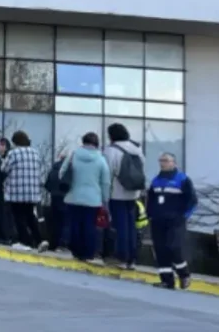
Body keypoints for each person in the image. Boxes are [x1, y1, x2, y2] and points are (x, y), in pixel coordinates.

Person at [59, 132, 111, 262]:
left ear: (83, 142)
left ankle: (76, 251)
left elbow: (62, 173)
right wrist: (105, 199)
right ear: (96, 144)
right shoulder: (101, 159)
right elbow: (105, 182)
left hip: (73, 197)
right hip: (93, 199)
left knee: (75, 224)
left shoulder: (73, 155)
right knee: (89, 226)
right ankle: (88, 252)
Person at [148, 153, 197, 290]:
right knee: (160, 250)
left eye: (165, 160)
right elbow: (150, 199)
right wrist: (150, 214)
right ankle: (167, 280)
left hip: (175, 221)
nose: (162, 163)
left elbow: (192, 200)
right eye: (161, 160)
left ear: (173, 163)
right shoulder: (156, 180)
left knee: (174, 247)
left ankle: (184, 274)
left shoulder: (182, 179)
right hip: (158, 221)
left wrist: (184, 216)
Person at [104, 123, 145, 269]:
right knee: (131, 226)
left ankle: (122, 257)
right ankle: (132, 259)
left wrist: (105, 194)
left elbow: (107, 173)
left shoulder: (111, 150)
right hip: (134, 193)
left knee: (120, 227)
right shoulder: (137, 148)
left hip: (117, 193)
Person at [0, 131, 44, 250]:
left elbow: (4, 168)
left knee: (18, 217)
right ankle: (40, 240)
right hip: (32, 191)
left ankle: (25, 242)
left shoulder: (13, 153)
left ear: (15, 142)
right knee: (30, 216)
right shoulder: (35, 153)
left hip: (17, 191)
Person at [38, 151, 69, 252]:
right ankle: (62, 244)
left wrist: (53, 191)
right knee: (65, 222)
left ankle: (54, 244)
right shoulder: (68, 169)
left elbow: (47, 185)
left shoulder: (53, 169)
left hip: (54, 198)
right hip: (65, 198)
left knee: (55, 222)